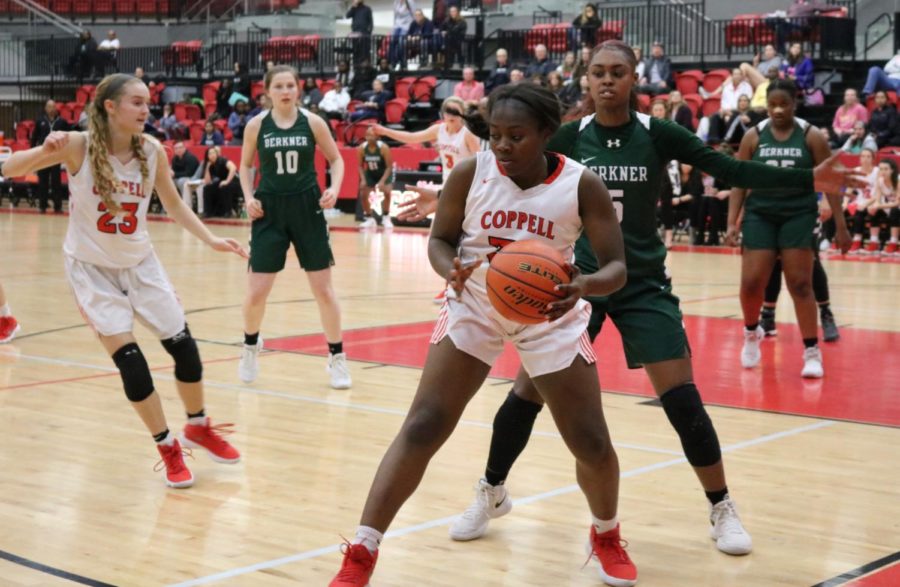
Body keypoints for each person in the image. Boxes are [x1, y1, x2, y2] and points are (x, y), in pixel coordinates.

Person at [397, 41, 856, 556]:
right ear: (586, 80)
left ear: (635, 78)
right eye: (597, 73)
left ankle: (720, 505)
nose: (607, 81)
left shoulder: (656, 133)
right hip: (568, 286)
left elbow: (729, 171)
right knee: (524, 397)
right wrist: (443, 198)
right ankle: (490, 490)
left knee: (682, 400)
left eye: (617, 72)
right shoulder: (569, 134)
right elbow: (506, 170)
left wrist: (807, 179)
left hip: (639, 282)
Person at [329, 82, 636, 587]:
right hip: (475, 304)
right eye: (495, 135)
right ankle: (362, 551)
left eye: (516, 136)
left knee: (591, 442)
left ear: (545, 134)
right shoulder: (472, 172)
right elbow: (440, 241)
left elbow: (617, 267)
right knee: (424, 424)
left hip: (551, 313)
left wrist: (583, 284)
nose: (503, 146)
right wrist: (449, 269)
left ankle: (605, 534)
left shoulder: (581, 184)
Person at [1, 73, 246, 487]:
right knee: (133, 365)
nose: (146, 109)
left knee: (185, 350)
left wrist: (210, 239)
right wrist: (44, 148)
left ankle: (197, 424)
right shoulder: (77, 145)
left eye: (147, 102)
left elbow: (172, 204)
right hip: (91, 271)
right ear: (110, 107)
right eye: (136, 102)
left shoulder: (152, 151)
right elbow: (9, 166)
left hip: (141, 264)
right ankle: (167, 447)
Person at [726, 78, 852, 379]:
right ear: (765, 106)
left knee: (800, 283)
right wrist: (732, 221)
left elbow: (831, 182)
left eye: (784, 104)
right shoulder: (753, 137)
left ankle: (811, 351)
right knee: (752, 282)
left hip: (798, 214)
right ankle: (751, 332)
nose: (778, 110)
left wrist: (841, 225)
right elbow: (739, 180)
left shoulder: (811, 136)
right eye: (772, 105)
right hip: (760, 214)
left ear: (795, 103)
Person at [237, 65, 351, 390]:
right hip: (269, 210)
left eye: (290, 86)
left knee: (323, 290)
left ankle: (337, 357)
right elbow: (245, 165)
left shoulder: (313, 122)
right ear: (268, 91)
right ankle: (249, 347)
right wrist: (247, 197)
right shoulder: (256, 126)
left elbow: (337, 159)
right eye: (279, 86)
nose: (286, 91)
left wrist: (333, 188)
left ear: (298, 89)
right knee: (257, 291)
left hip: (307, 207)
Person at [848, 158, 900, 255]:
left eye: (886, 169)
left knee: (894, 211)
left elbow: (897, 203)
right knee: (873, 210)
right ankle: (873, 242)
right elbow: (877, 198)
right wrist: (870, 206)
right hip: (888, 205)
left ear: (892, 170)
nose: (883, 171)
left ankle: (894, 242)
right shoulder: (880, 181)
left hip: (896, 207)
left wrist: (879, 206)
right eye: (881, 169)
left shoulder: (898, 180)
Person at [31, 99, 70, 214]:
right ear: (45, 108)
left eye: (53, 107)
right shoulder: (40, 121)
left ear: (56, 108)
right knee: (42, 181)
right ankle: (42, 206)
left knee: (56, 182)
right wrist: (33, 154)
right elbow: (34, 138)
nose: (51, 109)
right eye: (49, 107)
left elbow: (68, 137)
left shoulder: (62, 122)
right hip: (43, 156)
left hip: (56, 156)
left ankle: (57, 207)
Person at [357, 126, 393, 228]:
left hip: (384, 172)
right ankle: (369, 218)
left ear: (377, 137)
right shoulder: (362, 148)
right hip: (370, 173)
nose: (369, 137)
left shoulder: (383, 148)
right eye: (367, 135)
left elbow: (389, 167)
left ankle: (386, 217)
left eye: (372, 135)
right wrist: (363, 179)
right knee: (363, 193)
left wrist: (382, 181)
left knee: (387, 192)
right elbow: (360, 166)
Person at [201, 146, 241, 218]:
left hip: (234, 182)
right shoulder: (210, 165)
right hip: (222, 182)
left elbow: (233, 168)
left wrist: (227, 181)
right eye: (210, 154)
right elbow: (207, 181)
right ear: (207, 156)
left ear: (217, 154)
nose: (212, 155)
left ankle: (228, 212)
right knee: (207, 188)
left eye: (213, 153)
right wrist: (207, 167)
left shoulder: (223, 160)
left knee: (224, 187)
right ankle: (207, 212)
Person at [171, 141, 200, 207]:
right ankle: (172, 204)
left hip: (193, 178)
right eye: (176, 148)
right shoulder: (174, 159)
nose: (178, 150)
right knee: (169, 181)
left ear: (184, 148)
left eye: (180, 148)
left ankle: (186, 204)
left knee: (181, 181)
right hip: (180, 177)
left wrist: (175, 174)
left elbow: (189, 173)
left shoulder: (190, 158)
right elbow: (174, 172)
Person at [440, 5, 467, 69]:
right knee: (449, 52)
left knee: (460, 52)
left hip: (459, 40)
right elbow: (441, 28)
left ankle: (461, 64)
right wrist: (442, 31)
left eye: (454, 11)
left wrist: (448, 32)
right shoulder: (447, 20)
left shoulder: (462, 21)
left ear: (457, 12)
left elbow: (462, 32)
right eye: (451, 11)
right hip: (449, 40)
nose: (453, 13)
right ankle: (449, 64)